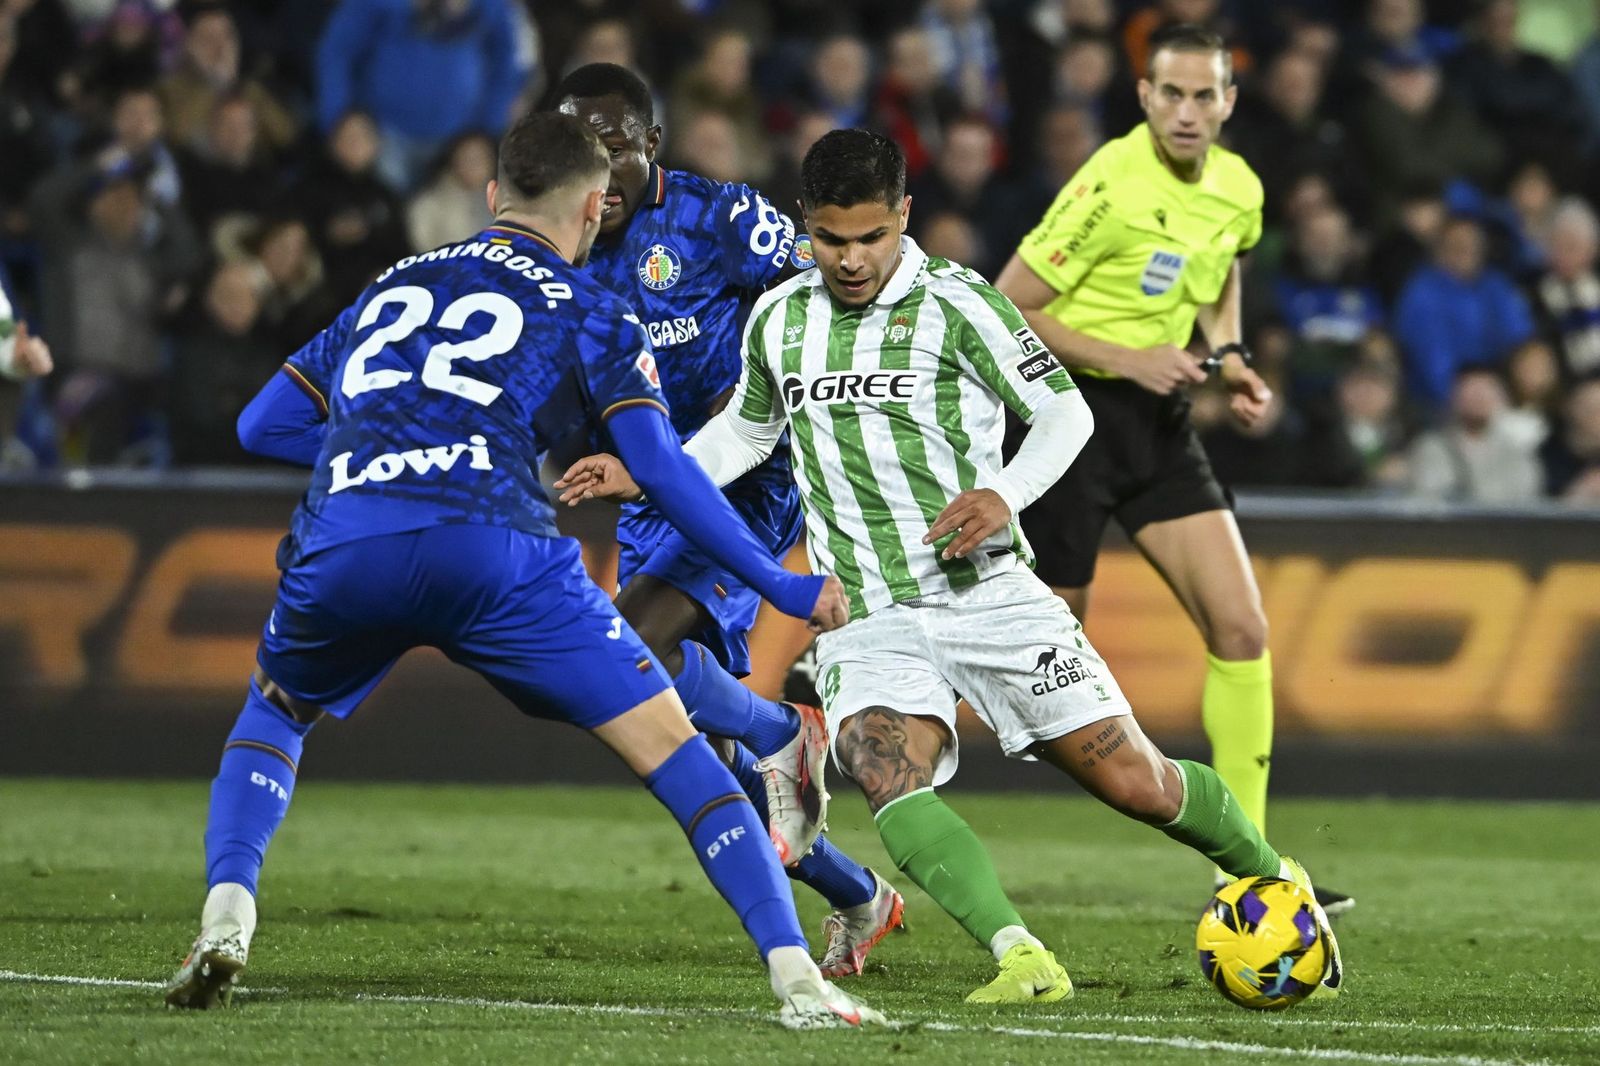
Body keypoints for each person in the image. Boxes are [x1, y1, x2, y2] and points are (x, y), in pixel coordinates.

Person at [557, 128, 1344, 1006]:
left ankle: (1278, 877)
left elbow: (1063, 414)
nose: (851, 260)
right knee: (877, 762)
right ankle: (1023, 958)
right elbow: (748, 431)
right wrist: (649, 469)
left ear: (902, 216)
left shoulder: (960, 303)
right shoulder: (781, 319)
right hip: (873, 608)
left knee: (1139, 783)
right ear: (804, 226)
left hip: (989, 594)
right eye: (829, 239)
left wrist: (1003, 495)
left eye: (869, 238)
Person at [162, 111, 884, 1031]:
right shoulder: (590, 304)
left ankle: (227, 917)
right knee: (673, 751)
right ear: (592, 208)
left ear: (495, 195)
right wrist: (784, 585)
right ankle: (794, 979)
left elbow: (259, 425)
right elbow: (662, 469)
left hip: (347, 537)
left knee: (274, 711)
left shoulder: (392, 283)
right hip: (495, 549)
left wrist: (387, 458)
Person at [552, 64, 904, 978]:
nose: (603, 164)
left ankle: (781, 728)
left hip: (736, 485)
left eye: (617, 142)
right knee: (674, 744)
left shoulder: (720, 219)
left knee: (629, 648)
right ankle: (859, 892)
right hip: (639, 501)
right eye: (585, 146)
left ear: (651, 144)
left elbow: (827, 293)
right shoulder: (562, 237)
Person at [990, 25, 1352, 913]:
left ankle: (1249, 869)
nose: (1188, 113)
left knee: (1241, 627)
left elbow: (1221, 271)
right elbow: (1006, 303)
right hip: (1067, 419)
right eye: (1172, 95)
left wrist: (1229, 356)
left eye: (1206, 96)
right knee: (1044, 681)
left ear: (1230, 101)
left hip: (1157, 422)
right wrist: (1130, 354)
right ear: (1145, 97)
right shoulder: (1110, 183)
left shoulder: (1239, 188)